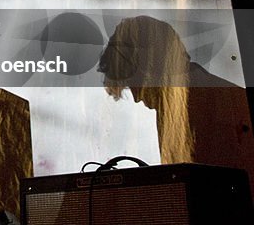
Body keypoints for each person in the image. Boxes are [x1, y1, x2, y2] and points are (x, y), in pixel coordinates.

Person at [99, 14, 254, 197]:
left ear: (149, 69)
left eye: (133, 83)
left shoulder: (201, 105)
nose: (136, 98)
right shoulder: (184, 100)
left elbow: (212, 199)